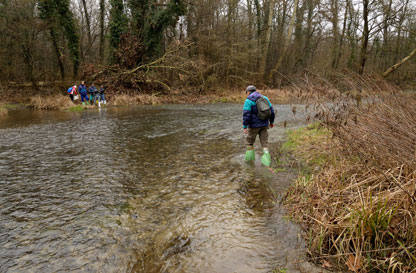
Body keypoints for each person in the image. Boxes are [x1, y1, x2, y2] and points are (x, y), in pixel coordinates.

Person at [242, 85, 275, 167]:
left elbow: (246, 114)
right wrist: (271, 122)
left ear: (248, 92)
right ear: (255, 90)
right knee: (264, 143)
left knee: (250, 142)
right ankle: (267, 160)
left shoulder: (248, 100)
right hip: (264, 125)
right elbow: (272, 111)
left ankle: (250, 161)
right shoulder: (265, 98)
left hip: (253, 126)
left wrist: (245, 126)